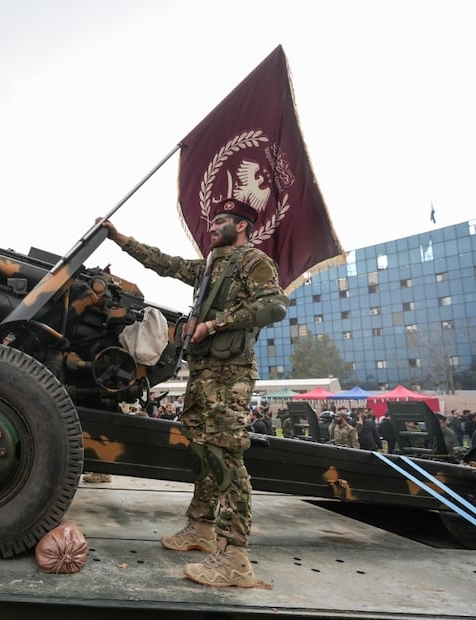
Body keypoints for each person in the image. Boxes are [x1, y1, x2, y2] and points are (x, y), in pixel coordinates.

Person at [101, 197, 288, 588]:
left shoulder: (254, 262)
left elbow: (274, 307)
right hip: (204, 369)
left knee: (224, 452)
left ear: (240, 226)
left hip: (230, 373)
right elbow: (164, 263)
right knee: (200, 445)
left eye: (221, 220)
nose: (213, 226)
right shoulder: (211, 266)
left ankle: (235, 558)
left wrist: (216, 325)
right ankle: (202, 528)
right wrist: (120, 239)